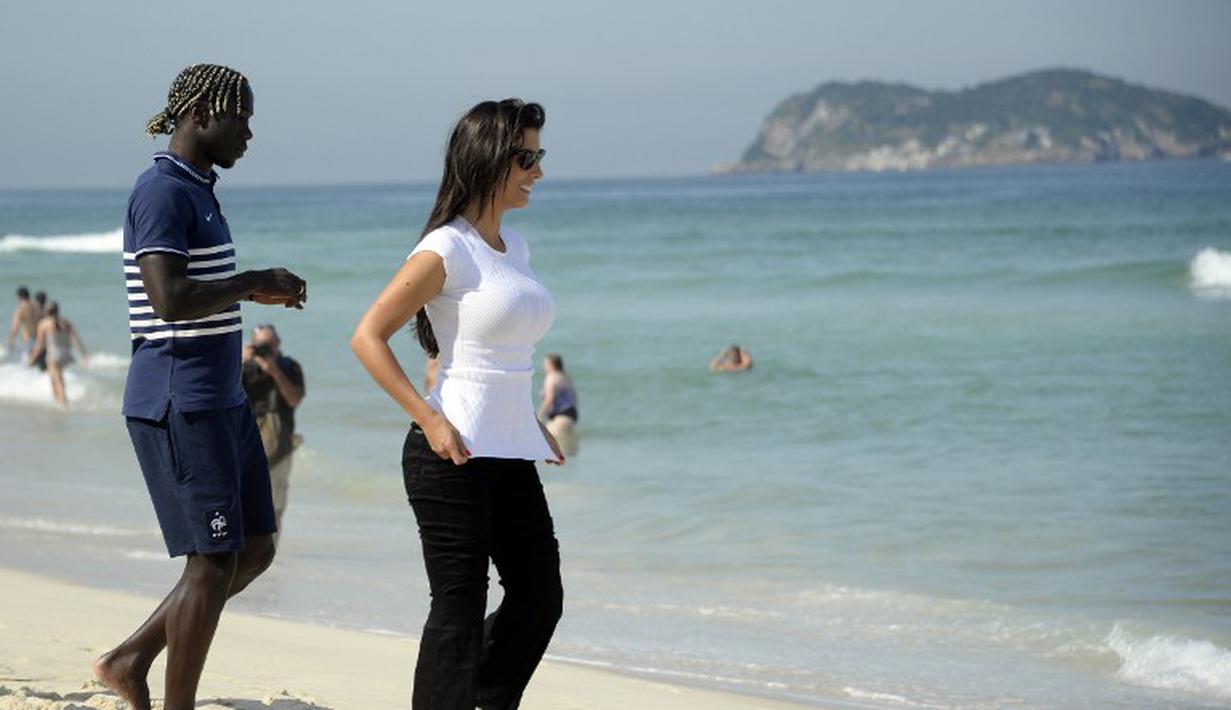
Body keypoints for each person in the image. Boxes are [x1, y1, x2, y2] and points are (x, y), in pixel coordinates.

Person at [92, 64, 307, 710]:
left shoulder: (199, 190)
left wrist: (249, 288)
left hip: (223, 400)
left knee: (256, 549)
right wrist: (249, 281)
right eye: (240, 115)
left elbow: (197, 291)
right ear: (202, 115)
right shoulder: (161, 192)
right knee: (210, 563)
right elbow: (166, 299)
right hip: (178, 400)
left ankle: (130, 658)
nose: (248, 131)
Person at [351, 98, 564, 710]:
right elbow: (367, 337)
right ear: (488, 159)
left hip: (508, 449)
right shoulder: (446, 248)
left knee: (539, 598)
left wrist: (531, 424)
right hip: (450, 455)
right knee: (458, 607)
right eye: (526, 157)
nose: (537, 171)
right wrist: (429, 416)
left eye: (538, 156)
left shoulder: (513, 246)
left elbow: (499, 354)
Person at [241, 324, 305, 544]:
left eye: (268, 344)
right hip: (245, 444)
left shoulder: (289, 367)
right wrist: (239, 361)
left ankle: (269, 554)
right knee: (244, 502)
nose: (265, 349)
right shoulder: (242, 368)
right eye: (260, 345)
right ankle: (243, 554)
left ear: (278, 343)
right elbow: (220, 393)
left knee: (275, 505)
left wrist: (274, 371)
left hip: (280, 446)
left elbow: (294, 399)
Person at [27, 301, 89, 405]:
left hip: (54, 354)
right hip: (66, 353)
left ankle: (63, 403)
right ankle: (58, 402)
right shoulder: (66, 322)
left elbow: (40, 346)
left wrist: (32, 358)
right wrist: (84, 354)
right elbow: (75, 339)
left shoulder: (43, 324)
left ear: (47, 311)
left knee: (58, 379)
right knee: (54, 378)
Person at [538, 353, 579, 457]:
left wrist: (539, 416)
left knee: (554, 450)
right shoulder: (565, 377)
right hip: (571, 416)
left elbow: (549, 398)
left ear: (551, 364)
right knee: (568, 451)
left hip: (559, 417)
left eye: (545, 363)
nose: (544, 366)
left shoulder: (551, 377)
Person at [6, 286, 40, 361]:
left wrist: (10, 339)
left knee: (27, 365)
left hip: (28, 339)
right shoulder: (37, 306)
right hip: (40, 339)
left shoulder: (20, 309)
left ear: (19, 297)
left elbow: (15, 327)